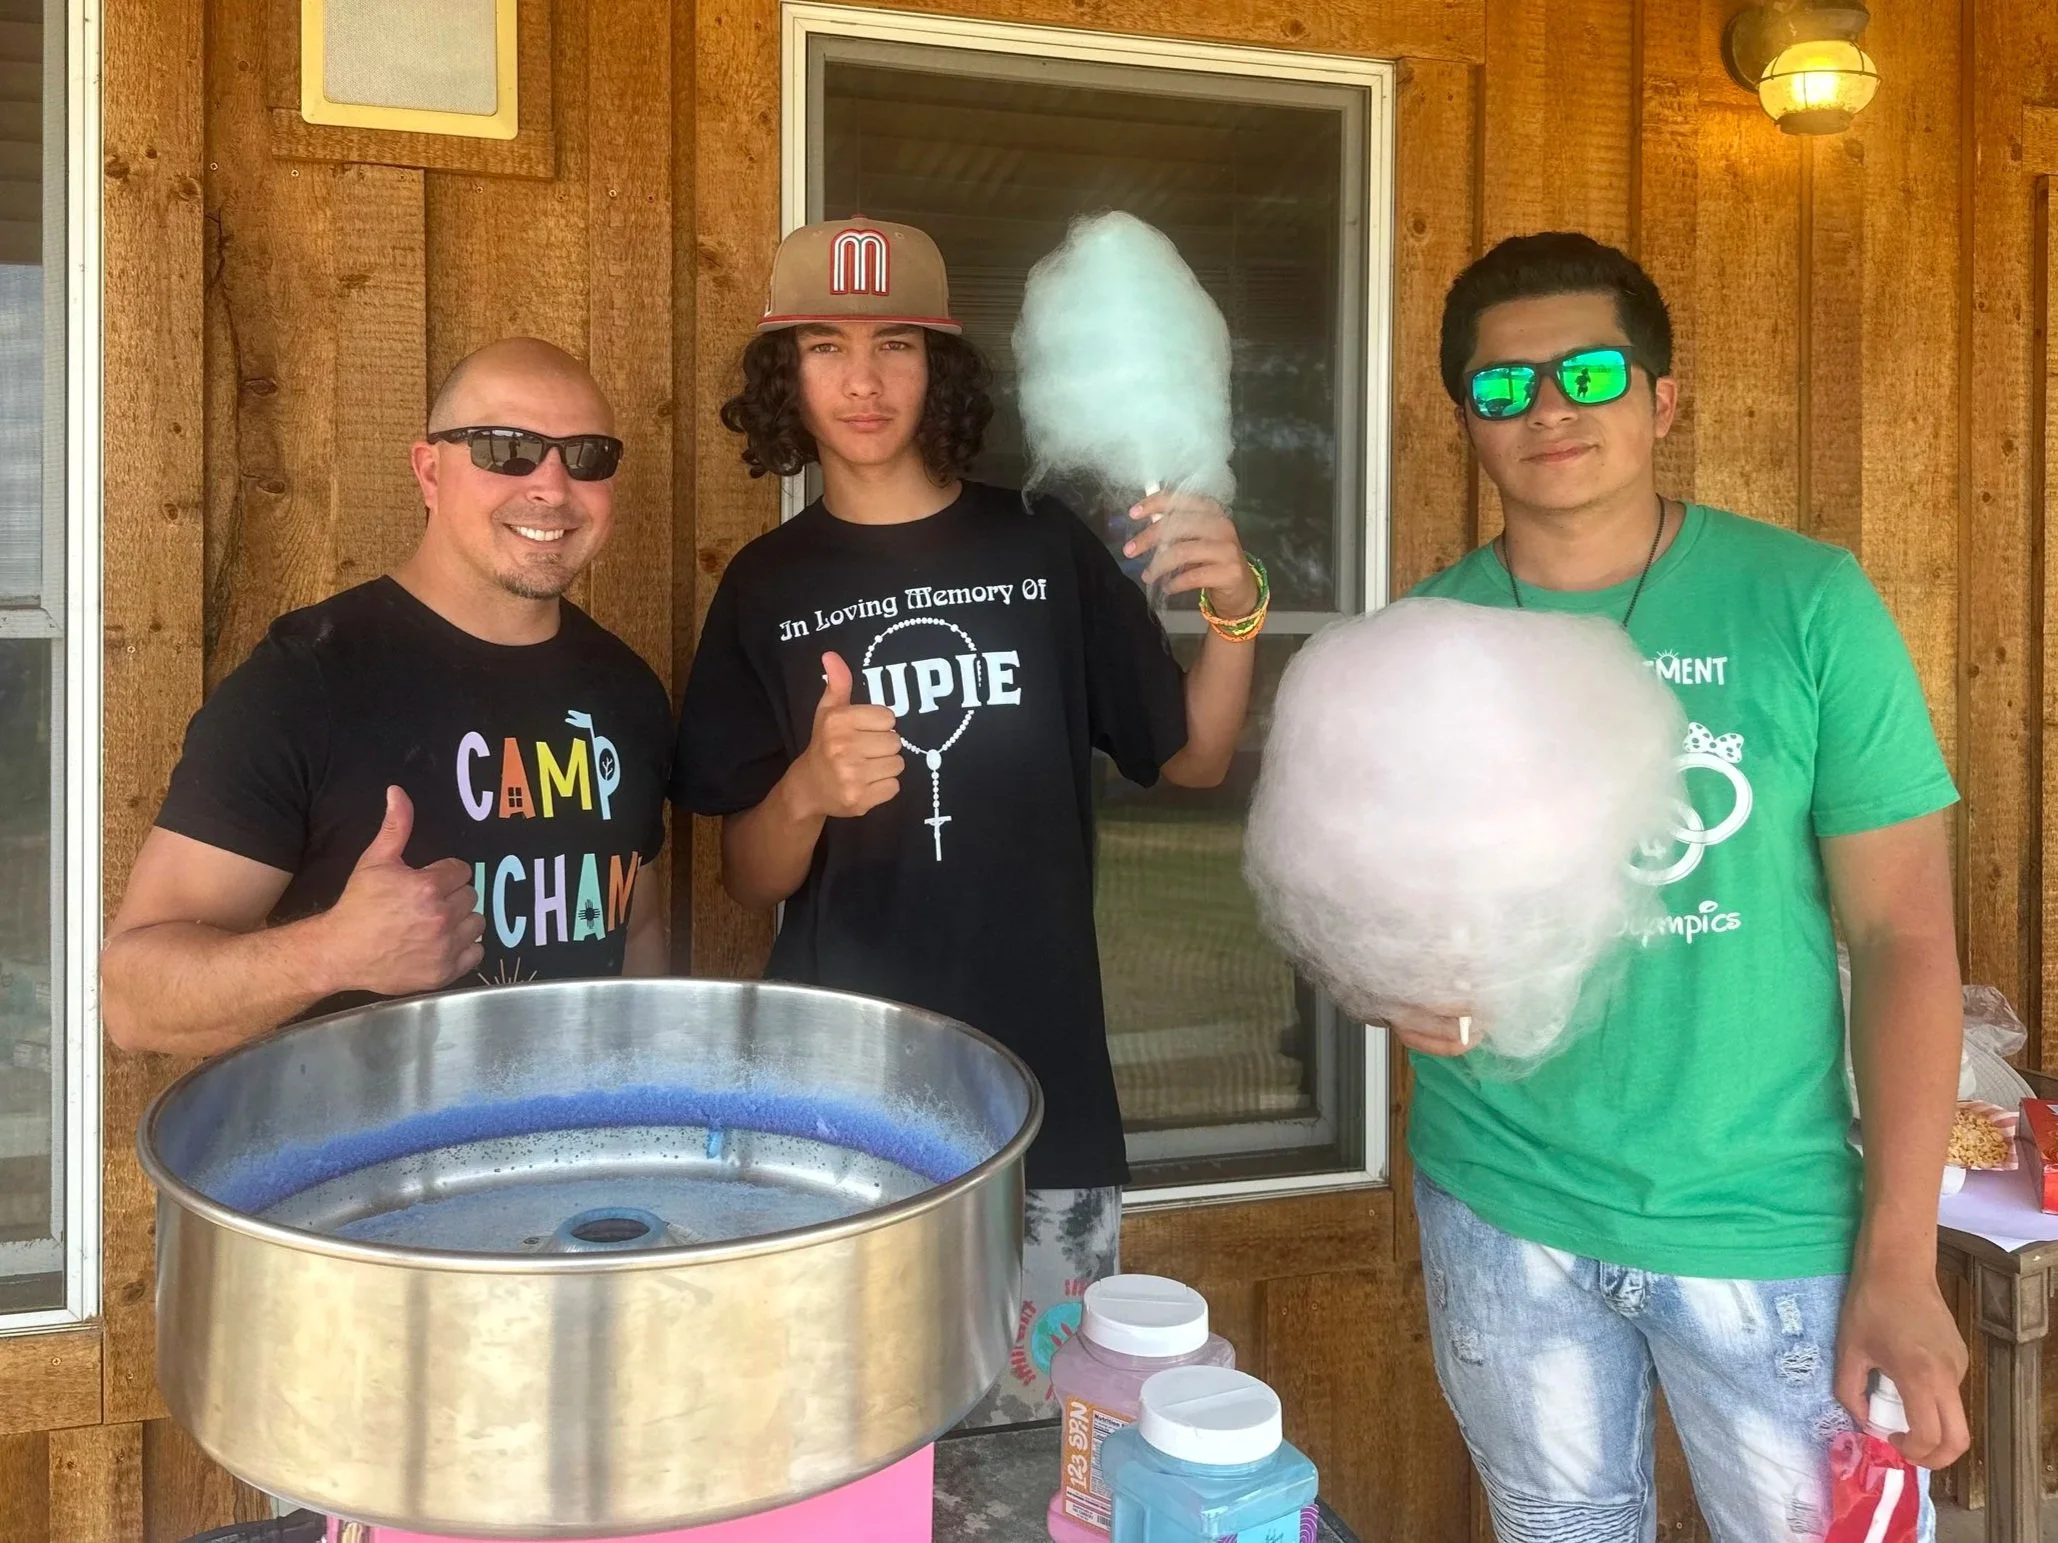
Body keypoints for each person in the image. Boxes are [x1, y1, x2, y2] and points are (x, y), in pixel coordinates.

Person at [1396, 232, 1968, 1541]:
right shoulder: (1424, 642)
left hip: (1766, 1224)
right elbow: (1382, 911)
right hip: (1500, 1206)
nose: (1546, 406)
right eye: (1501, 388)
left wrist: (1896, 1257)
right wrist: (1389, 975)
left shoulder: (1805, 601)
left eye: (1587, 371)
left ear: (1661, 399)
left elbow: (1901, 934)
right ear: (1467, 425)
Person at [674, 218, 1262, 1423]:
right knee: (857, 1429)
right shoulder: (765, 585)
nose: (864, 378)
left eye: (897, 342)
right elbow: (746, 875)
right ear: (784, 375)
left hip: (1046, 1097)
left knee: (1042, 1434)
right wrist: (806, 791)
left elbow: (1194, 759)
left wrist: (1241, 610)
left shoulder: (1042, 545)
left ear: (942, 366)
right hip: (844, 1102)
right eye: (825, 347)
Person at [102, 337, 673, 1056]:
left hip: (569, 1159)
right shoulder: (307, 682)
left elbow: (636, 928)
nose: (552, 488)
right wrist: (333, 952)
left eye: (586, 455)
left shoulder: (626, 688)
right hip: (363, 1163)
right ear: (429, 471)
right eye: (505, 448)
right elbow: (133, 998)